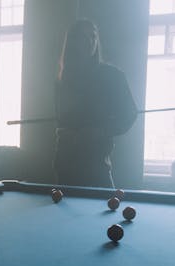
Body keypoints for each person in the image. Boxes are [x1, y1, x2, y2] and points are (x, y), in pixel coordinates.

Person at [53, 19, 137, 188]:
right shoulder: (63, 78)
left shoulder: (112, 75)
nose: (90, 41)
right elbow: (62, 119)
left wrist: (101, 131)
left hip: (96, 162)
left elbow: (129, 114)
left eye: (93, 36)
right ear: (73, 42)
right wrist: (64, 132)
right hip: (65, 160)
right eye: (83, 37)